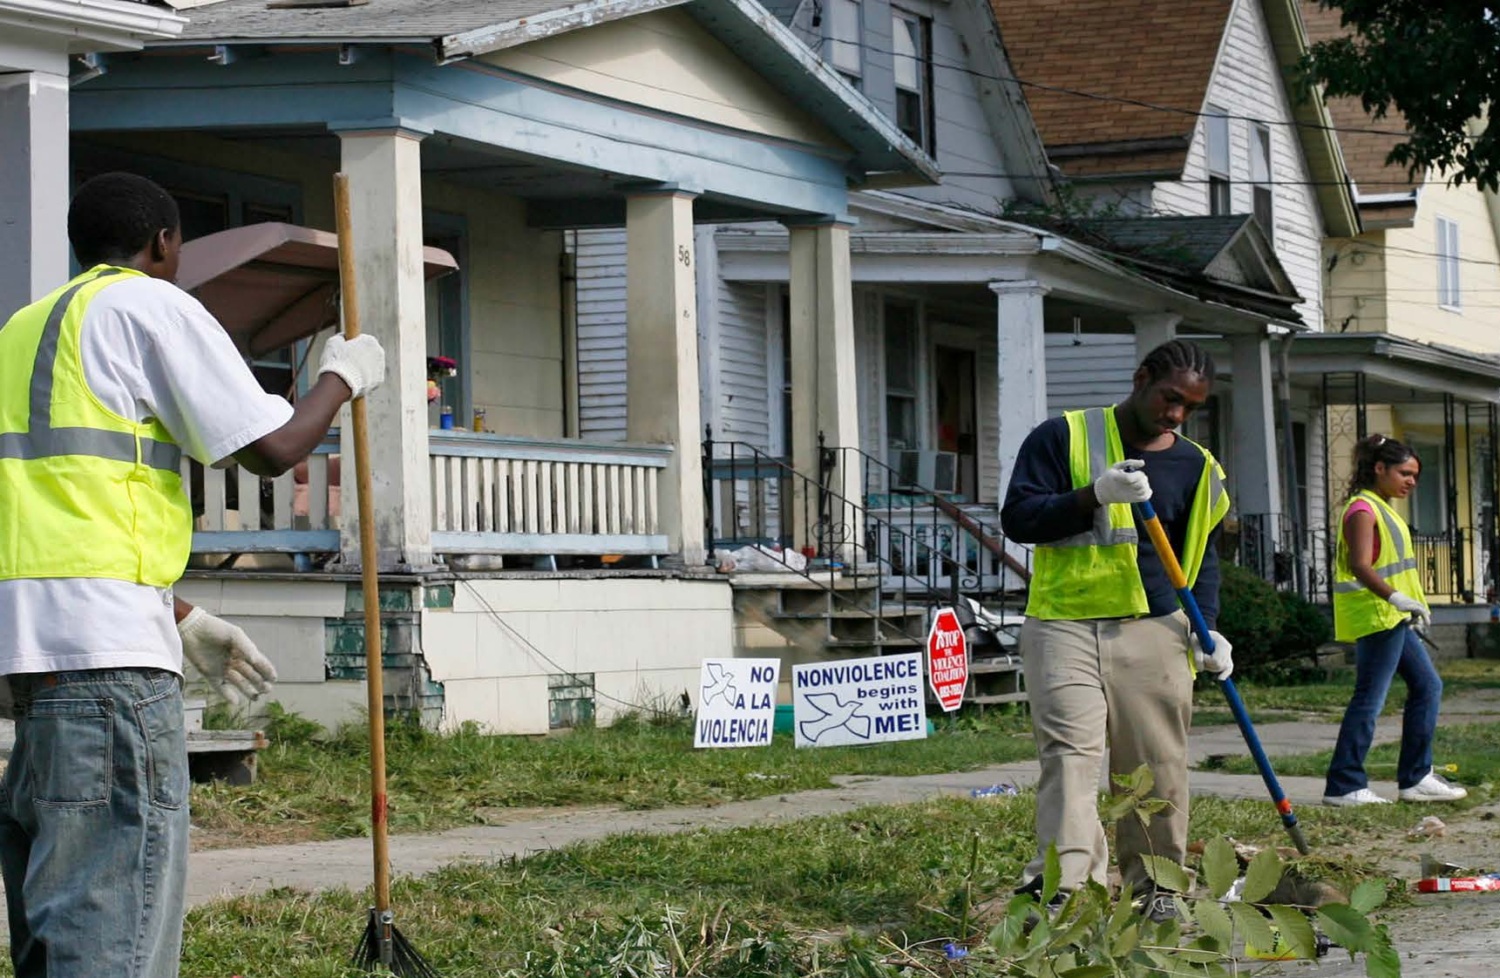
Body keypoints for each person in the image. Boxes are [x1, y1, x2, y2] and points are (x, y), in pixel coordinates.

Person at [0, 172, 386, 977]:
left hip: (32, 671)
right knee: (113, 934)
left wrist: (178, 616)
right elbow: (273, 449)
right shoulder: (150, 305)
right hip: (111, 671)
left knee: (57, 926)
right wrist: (342, 377)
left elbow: (57, 512)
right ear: (164, 243)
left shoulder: (21, 332)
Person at [1000, 338, 1232, 920]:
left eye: (1189, 407)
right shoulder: (1062, 437)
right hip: (1063, 624)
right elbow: (1020, 519)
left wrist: (1209, 632)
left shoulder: (1197, 465)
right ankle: (1062, 889)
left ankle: (1157, 890)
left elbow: (1200, 557)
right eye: (1169, 398)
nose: (1175, 414)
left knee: (1154, 764)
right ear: (1141, 378)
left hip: (1155, 628)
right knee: (1070, 756)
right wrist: (1093, 495)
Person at [1323, 435, 1467, 807]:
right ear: (1379, 468)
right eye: (1404, 473)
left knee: (1428, 687)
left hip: (1394, 617)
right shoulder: (1363, 510)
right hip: (1377, 616)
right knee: (1369, 699)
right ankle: (1344, 785)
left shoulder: (1382, 508)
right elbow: (1359, 565)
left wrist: (1409, 606)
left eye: (1415, 475)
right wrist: (1395, 598)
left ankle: (1416, 778)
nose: (1411, 481)